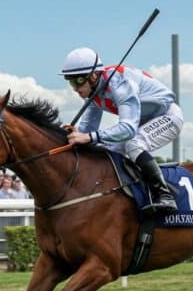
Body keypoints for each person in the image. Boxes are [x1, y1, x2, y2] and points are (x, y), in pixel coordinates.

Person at [60, 46, 182, 214]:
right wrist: (74, 134)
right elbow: (87, 132)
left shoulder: (119, 82)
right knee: (106, 151)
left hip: (167, 116)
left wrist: (88, 136)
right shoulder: (94, 93)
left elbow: (128, 129)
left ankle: (164, 195)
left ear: (94, 75)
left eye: (77, 81)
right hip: (141, 122)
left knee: (134, 144)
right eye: (70, 81)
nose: (74, 88)